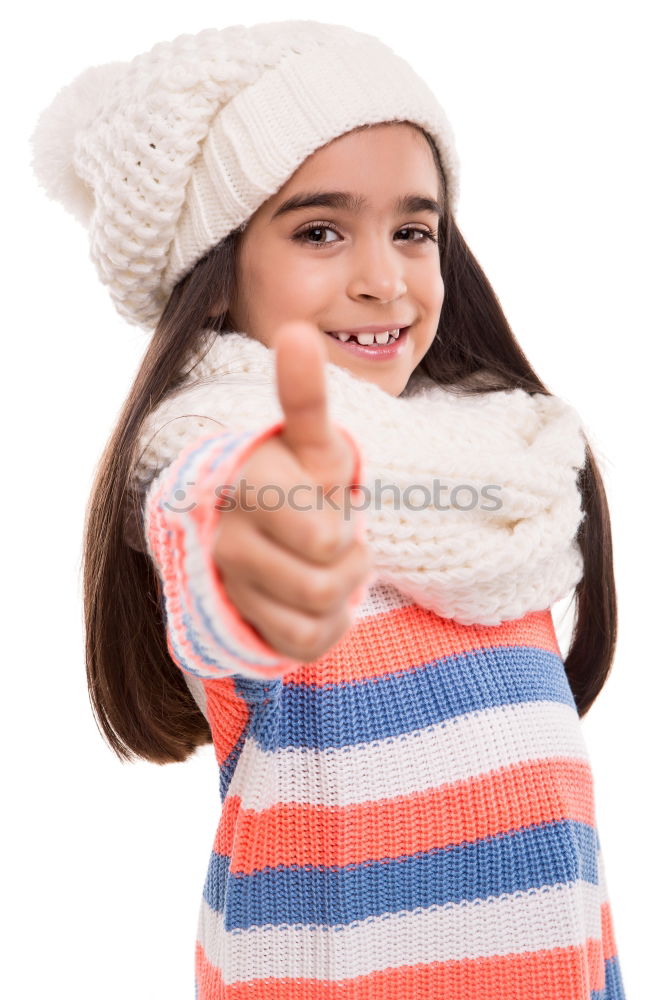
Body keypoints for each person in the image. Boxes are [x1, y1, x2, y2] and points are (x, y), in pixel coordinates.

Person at [30, 20, 627, 1000]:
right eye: (319, 230)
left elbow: (565, 889)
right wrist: (268, 544)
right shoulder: (222, 463)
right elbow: (221, 529)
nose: (383, 277)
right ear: (219, 277)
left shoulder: (496, 501)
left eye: (413, 229)